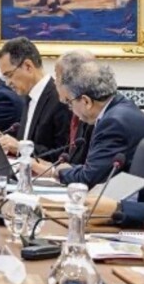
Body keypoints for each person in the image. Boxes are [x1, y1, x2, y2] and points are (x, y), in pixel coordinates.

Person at [31, 61, 144, 189]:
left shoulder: (113, 123)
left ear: (86, 101)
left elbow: (90, 178)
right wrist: (69, 169)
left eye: (69, 102)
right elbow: (98, 168)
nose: (70, 109)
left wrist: (55, 172)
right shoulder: (121, 107)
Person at [0, 37, 70, 161]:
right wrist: (5, 139)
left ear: (28, 66)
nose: (7, 83)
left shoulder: (59, 98)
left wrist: (21, 148)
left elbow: (62, 155)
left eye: (9, 75)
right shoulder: (28, 96)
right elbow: (28, 139)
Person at [53, 49, 95, 164]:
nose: (55, 82)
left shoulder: (92, 114)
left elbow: (86, 167)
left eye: (57, 76)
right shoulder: (74, 107)